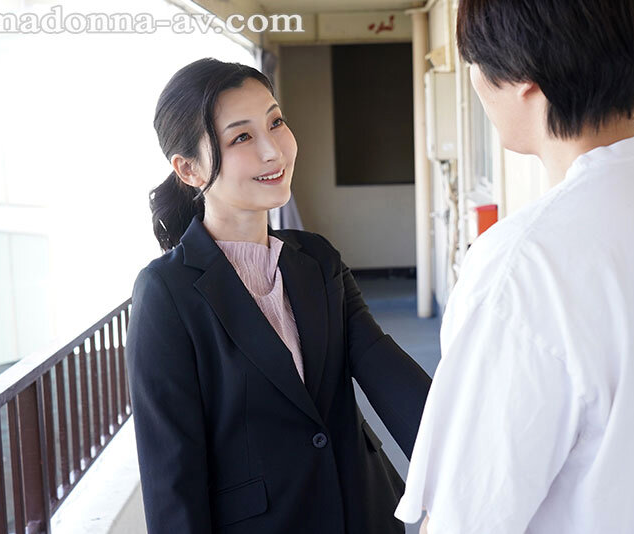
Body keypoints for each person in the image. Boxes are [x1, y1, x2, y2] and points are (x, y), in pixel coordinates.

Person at [394, 1, 634, 533]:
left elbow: (465, 517)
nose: (475, 81)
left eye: (475, 61)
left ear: (522, 75)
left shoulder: (523, 266)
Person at [124, 58, 431, 534]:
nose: (273, 150)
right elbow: (172, 478)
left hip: (364, 513)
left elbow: (387, 373)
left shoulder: (317, 260)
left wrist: (465, 473)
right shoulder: (167, 293)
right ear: (188, 169)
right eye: (241, 137)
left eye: (275, 122)